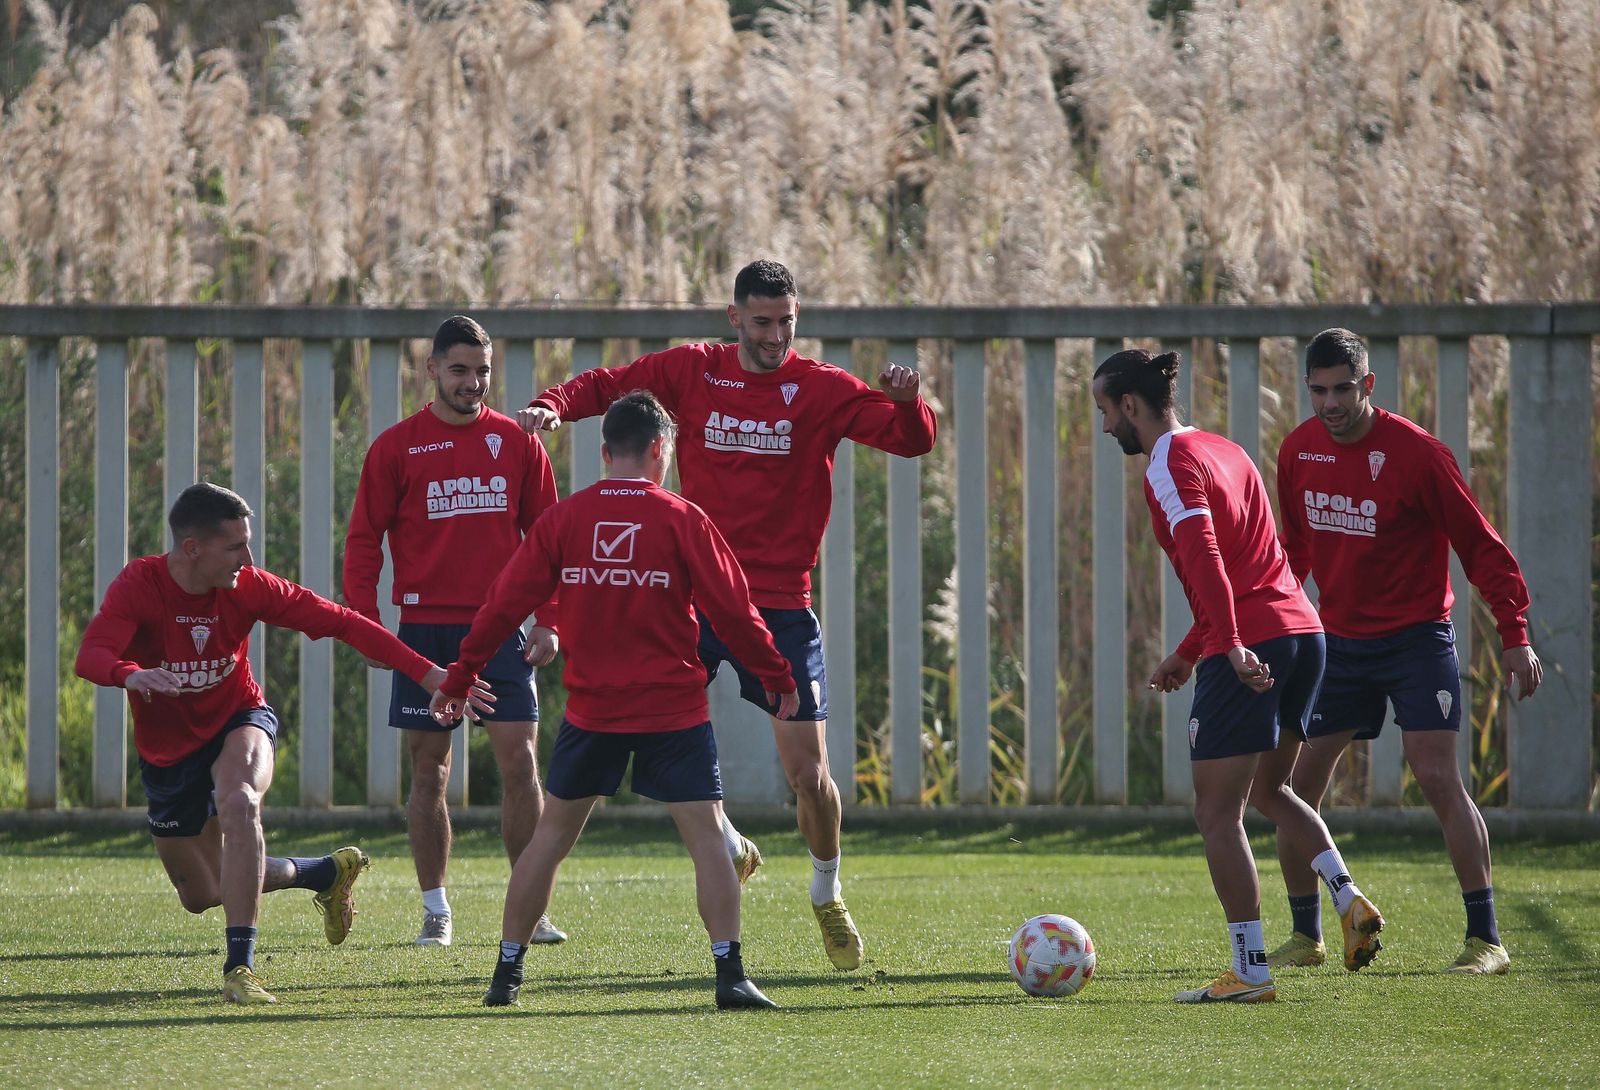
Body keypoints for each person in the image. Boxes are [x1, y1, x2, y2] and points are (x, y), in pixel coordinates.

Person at [516, 259, 935, 970]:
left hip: (780, 605)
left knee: (809, 774)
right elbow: (611, 386)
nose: (776, 337)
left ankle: (826, 889)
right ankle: (729, 843)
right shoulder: (694, 371)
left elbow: (912, 440)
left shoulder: (822, 389)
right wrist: (555, 402)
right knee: (645, 729)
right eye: (763, 322)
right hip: (695, 595)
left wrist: (906, 403)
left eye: (788, 323)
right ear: (734, 317)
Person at [431, 391, 799, 1010]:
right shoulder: (682, 517)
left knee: (549, 837)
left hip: (592, 710)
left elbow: (502, 605)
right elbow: (735, 611)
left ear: (605, 452)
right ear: (661, 450)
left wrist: (460, 675)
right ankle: (730, 976)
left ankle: (506, 977)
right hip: (673, 711)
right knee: (709, 838)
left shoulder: (565, 520)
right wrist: (777, 676)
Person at [75, 482, 491, 1005]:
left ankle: (240, 969)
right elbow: (89, 655)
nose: (248, 558)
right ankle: (323, 871)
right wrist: (128, 674)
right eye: (236, 547)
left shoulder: (248, 586)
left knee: (240, 800)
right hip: (168, 750)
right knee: (202, 893)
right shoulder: (140, 585)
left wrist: (431, 674)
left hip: (238, 719)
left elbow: (341, 621)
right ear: (192, 549)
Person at [1092, 349, 1385, 1004]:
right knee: (1272, 789)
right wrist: (1193, 650)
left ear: (1131, 407)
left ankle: (1250, 970)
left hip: (1253, 640)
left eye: (1106, 411)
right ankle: (1348, 897)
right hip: (1303, 632)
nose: (1106, 425)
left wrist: (1225, 645)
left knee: (1215, 811)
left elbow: (1207, 559)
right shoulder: (1227, 450)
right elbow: (1259, 562)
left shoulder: (1168, 462)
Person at [1269, 328, 1541, 976]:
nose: (1330, 403)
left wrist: (1515, 635)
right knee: (1291, 785)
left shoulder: (1418, 455)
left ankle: (1486, 941)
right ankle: (1306, 937)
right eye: (1318, 391)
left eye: (1342, 389)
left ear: (1366, 386)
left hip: (1417, 639)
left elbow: (1481, 548)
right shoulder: (1299, 452)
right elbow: (1296, 550)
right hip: (1336, 643)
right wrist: (1277, 620)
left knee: (1438, 776)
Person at [344, 315, 567, 948]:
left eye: (483, 371)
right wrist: (366, 625)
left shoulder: (519, 444)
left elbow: (550, 540)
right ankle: (436, 910)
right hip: (424, 632)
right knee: (429, 773)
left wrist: (549, 621)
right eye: (460, 370)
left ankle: (532, 908)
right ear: (432, 371)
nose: (473, 383)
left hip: (500, 630)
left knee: (521, 764)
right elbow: (363, 543)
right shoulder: (396, 447)